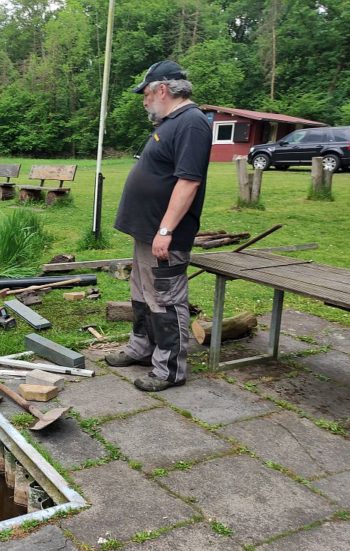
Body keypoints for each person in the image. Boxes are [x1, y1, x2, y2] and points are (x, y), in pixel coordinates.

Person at [107, 60, 212, 392]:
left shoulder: (192, 123)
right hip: (147, 232)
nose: (144, 101)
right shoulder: (171, 122)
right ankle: (142, 348)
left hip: (164, 234)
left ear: (163, 90)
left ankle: (169, 369)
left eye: (146, 94)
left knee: (166, 300)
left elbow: (188, 182)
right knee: (142, 294)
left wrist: (166, 230)